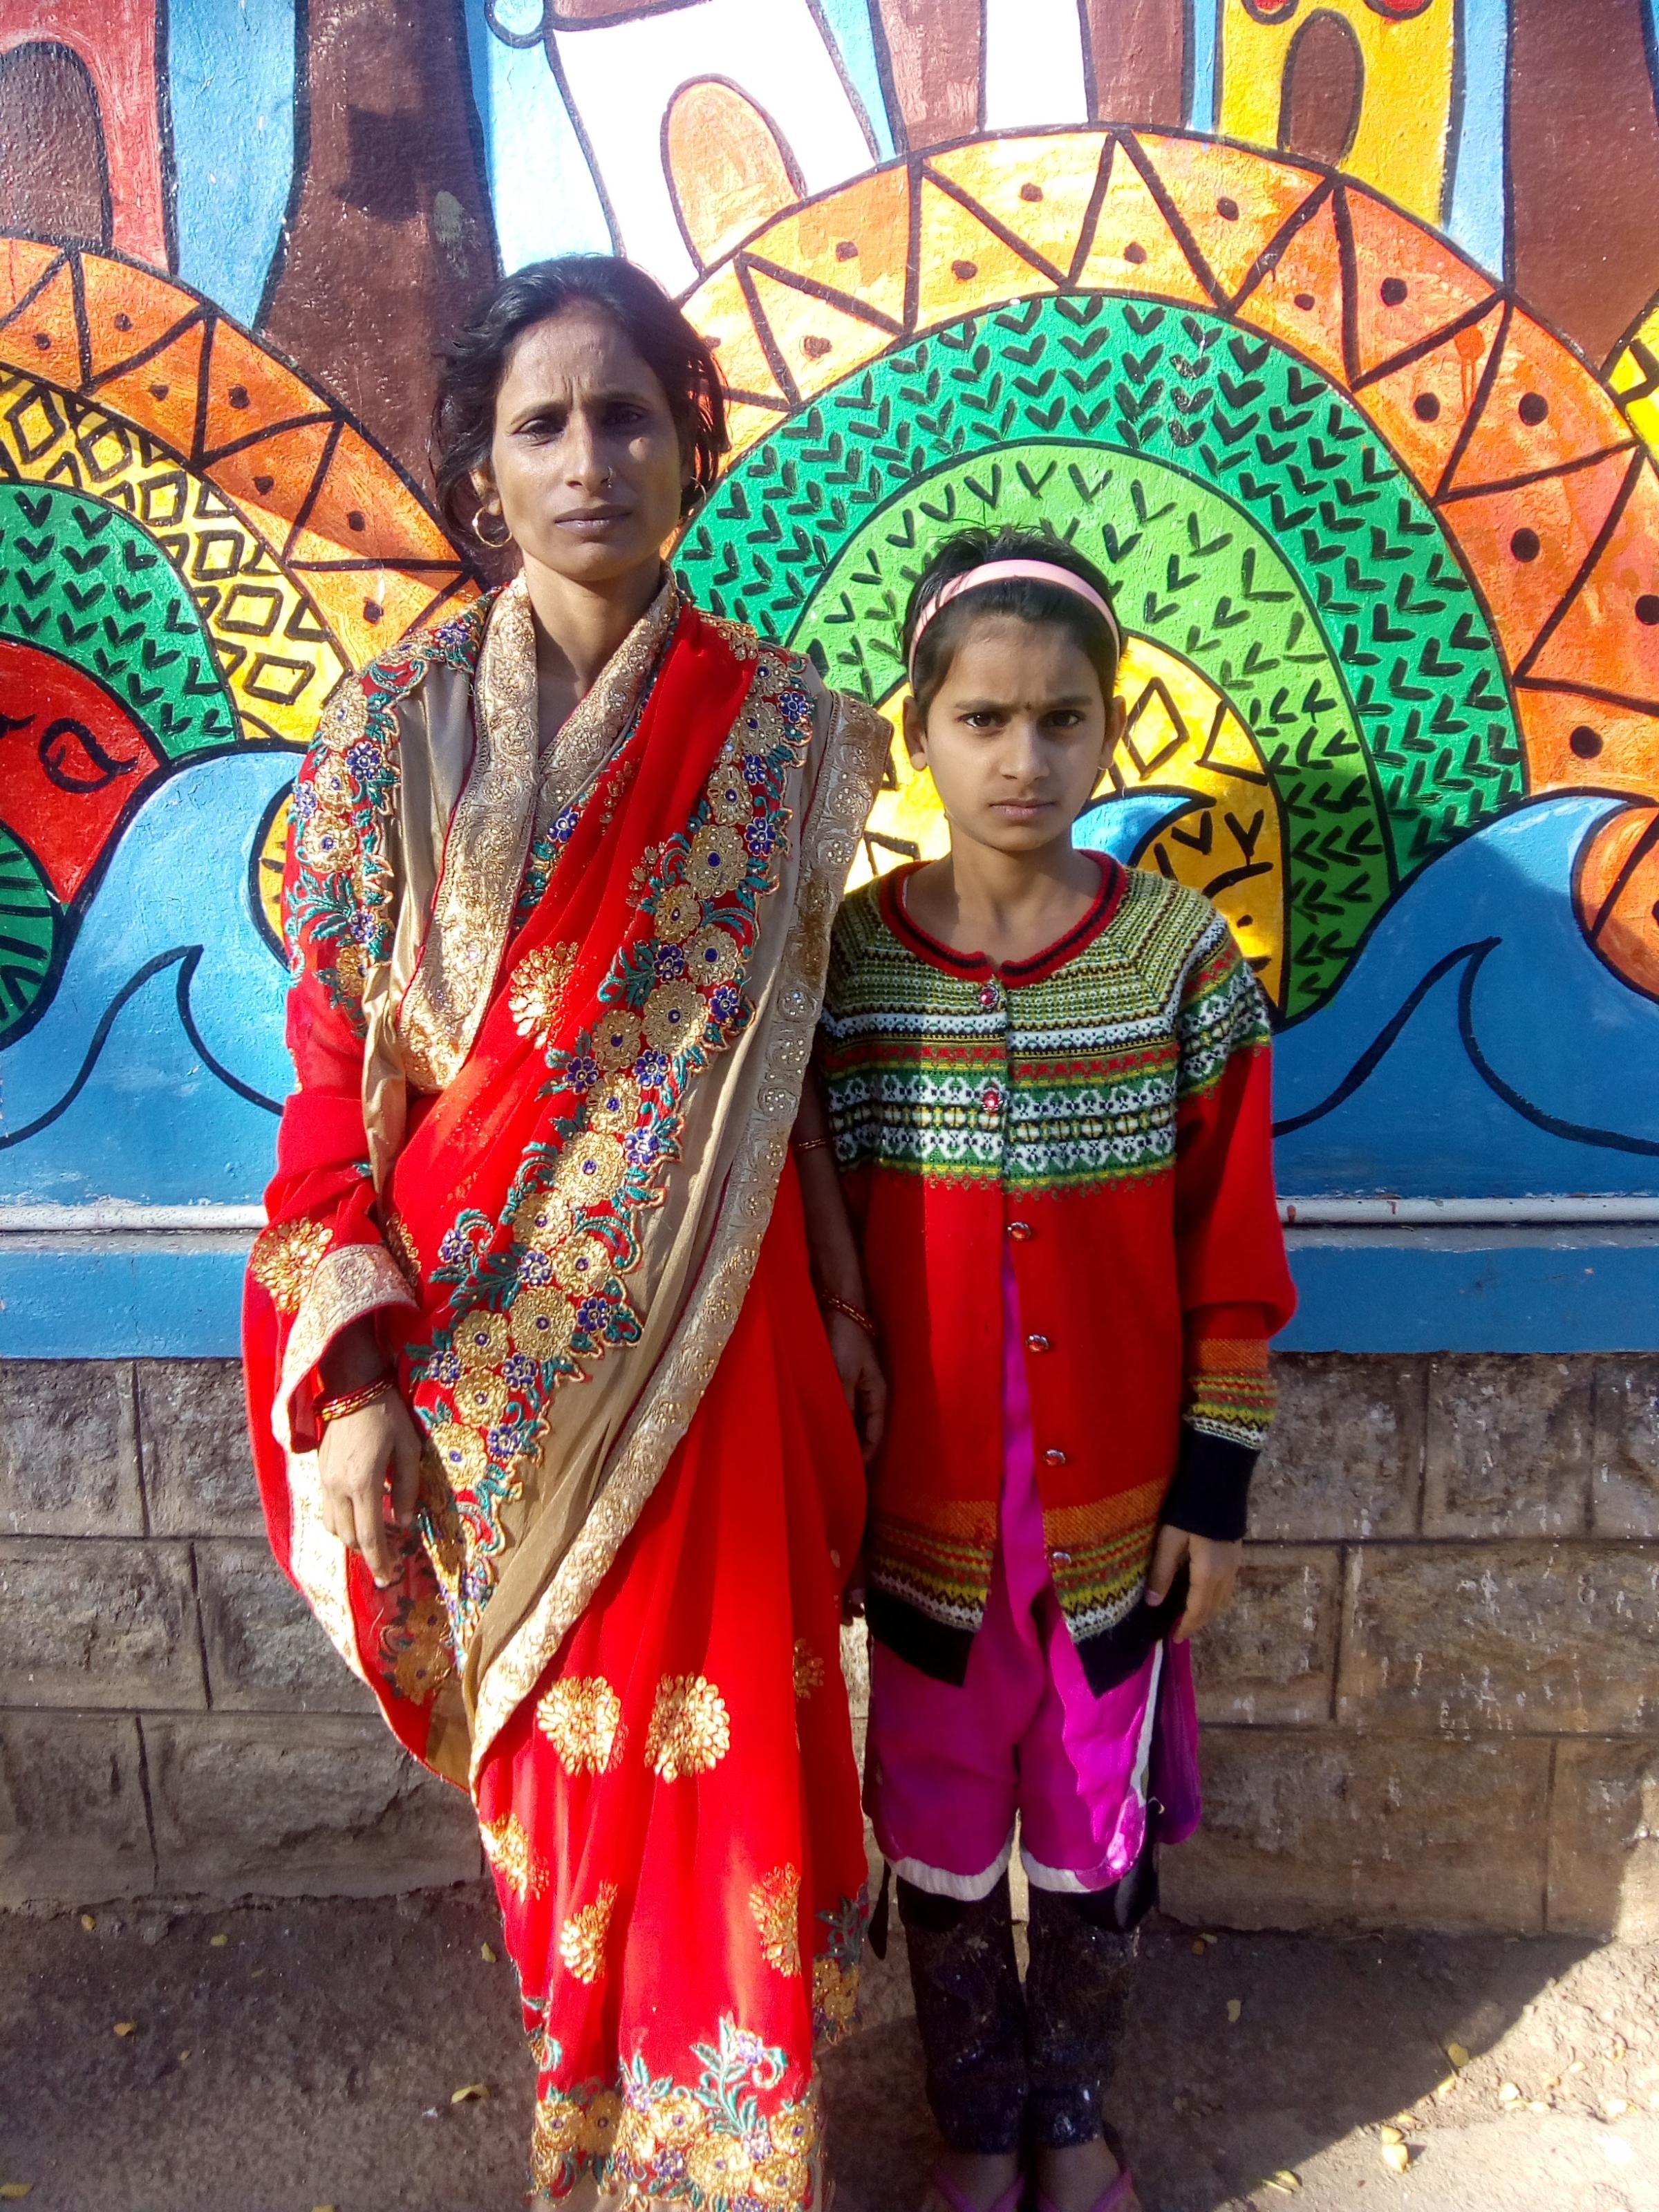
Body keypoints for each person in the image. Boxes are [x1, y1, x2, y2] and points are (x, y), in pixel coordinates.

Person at [242, 255, 891, 2210]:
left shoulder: (785, 739)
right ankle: (586, 2119)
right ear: (482, 473)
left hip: (729, 1317)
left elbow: (799, 1058)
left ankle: (728, 2153)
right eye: (542, 424)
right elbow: (334, 1061)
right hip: (478, 1362)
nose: (589, 456)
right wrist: (348, 1370)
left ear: (694, 440)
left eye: (627, 415)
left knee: (737, 1755)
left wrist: (848, 1305)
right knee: (559, 1768)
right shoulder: (391, 736)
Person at [816, 529, 1297, 2212]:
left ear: (1111, 732)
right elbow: (813, 1234)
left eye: (1061, 719)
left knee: (1096, 1826)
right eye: (983, 718)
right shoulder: (852, 977)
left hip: (1117, 1514)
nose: (1024, 759)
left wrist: (1214, 1492)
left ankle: (1073, 2111)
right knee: (942, 1827)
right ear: (918, 733)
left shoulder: (1180, 967)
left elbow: (1231, 1258)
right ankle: (971, 2118)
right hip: (927, 1511)